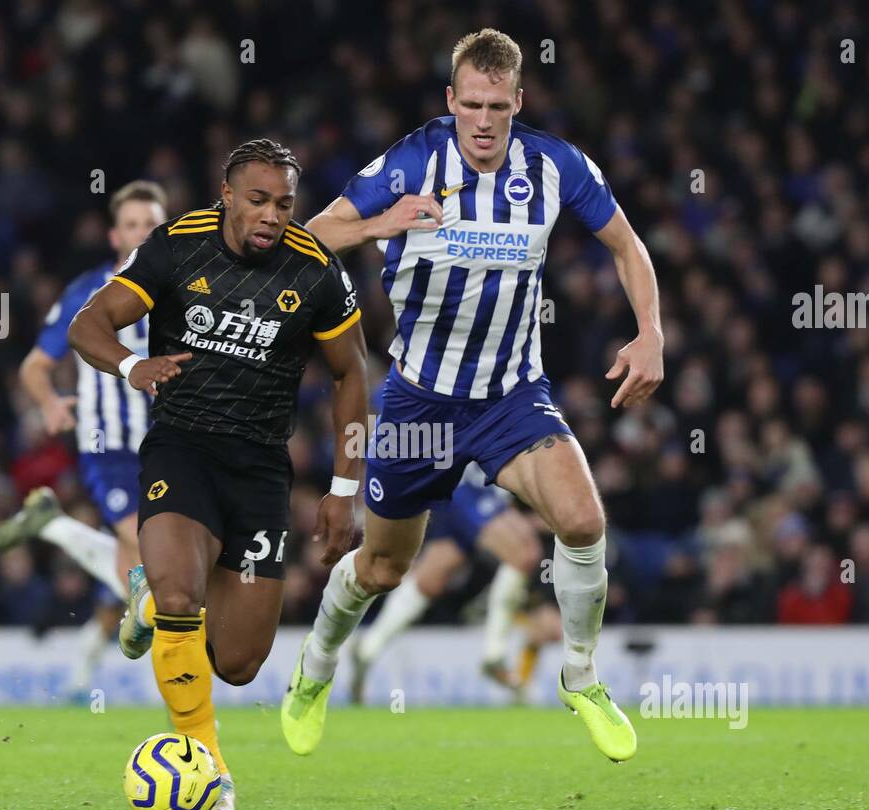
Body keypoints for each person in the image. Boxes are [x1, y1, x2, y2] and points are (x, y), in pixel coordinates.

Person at [281, 28, 664, 763]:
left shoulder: (554, 167)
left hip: (508, 398)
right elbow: (312, 235)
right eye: (472, 105)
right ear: (450, 101)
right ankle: (317, 667)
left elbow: (627, 244)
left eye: (499, 106)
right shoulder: (412, 160)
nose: (484, 121)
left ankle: (581, 674)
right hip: (418, 402)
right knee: (382, 567)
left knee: (583, 519)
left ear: (519, 101)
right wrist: (380, 224)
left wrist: (651, 332)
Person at [68, 139, 368, 810]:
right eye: (257, 200)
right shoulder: (178, 244)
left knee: (236, 661)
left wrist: (345, 487)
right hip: (183, 448)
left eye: (285, 203)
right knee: (180, 593)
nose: (271, 216)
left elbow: (352, 373)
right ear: (227, 195)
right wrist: (130, 366)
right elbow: (90, 324)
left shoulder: (316, 270)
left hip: (261, 466)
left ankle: (150, 608)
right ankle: (208, 762)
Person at [0, 181, 165, 694]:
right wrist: (48, 403)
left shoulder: (184, 288)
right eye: (132, 225)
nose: (141, 234)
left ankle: (55, 528)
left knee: (146, 570)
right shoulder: (86, 293)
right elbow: (35, 366)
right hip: (107, 444)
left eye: (151, 226)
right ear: (115, 234)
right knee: (145, 542)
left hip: (169, 444)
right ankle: (180, 696)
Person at [346, 462, 541, 702]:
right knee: (525, 554)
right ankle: (494, 654)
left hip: (456, 486)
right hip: (469, 487)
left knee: (429, 582)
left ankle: (368, 648)